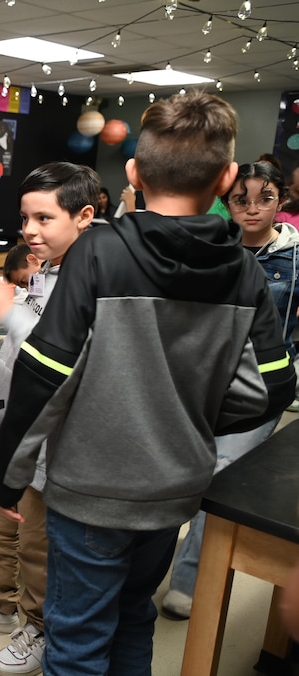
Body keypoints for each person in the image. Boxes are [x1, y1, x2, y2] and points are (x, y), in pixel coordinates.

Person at [0, 92, 296, 674]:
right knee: (134, 621)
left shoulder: (99, 252)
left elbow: (45, 374)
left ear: (133, 171)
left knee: (76, 640)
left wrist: (11, 476)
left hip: (90, 493)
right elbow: (273, 387)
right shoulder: (243, 271)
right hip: (173, 491)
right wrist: (186, 419)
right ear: (228, 176)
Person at [0, 162, 97, 676]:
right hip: (6, 424)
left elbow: (64, 359)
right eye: (25, 217)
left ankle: (37, 626)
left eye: (44, 219)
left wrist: (8, 308)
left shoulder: (91, 279)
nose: (29, 230)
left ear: (84, 217)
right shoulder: (44, 267)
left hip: (45, 442)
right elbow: (23, 338)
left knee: (36, 542)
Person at [162, 160, 298, 618]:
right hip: (202, 378)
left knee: (221, 474)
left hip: (259, 385)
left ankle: (189, 576)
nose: (254, 208)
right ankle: (149, 567)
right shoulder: (209, 250)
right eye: (242, 199)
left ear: (283, 199)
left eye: (266, 197)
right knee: (178, 471)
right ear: (227, 202)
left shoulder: (295, 260)